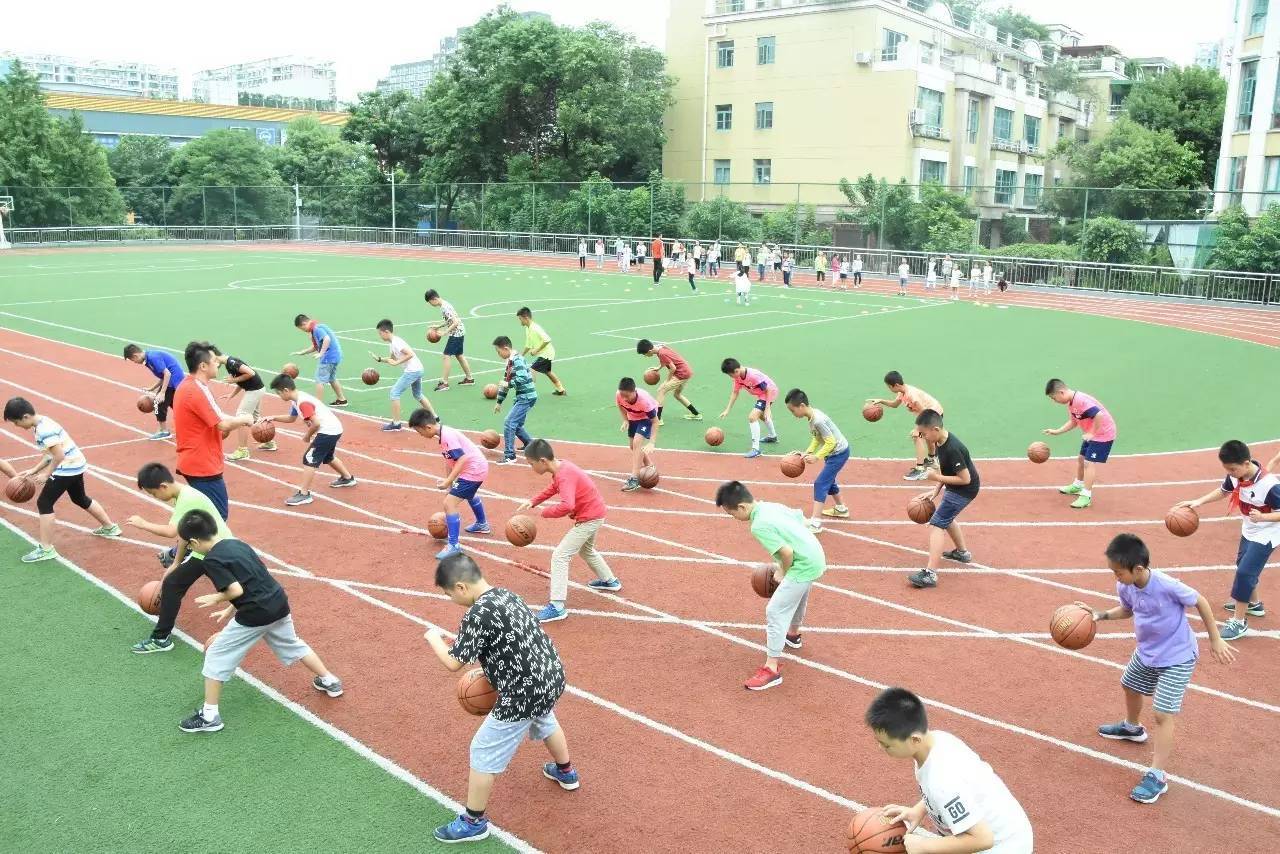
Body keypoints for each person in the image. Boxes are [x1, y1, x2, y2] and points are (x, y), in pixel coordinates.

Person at [423, 553, 575, 844]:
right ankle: (566, 772)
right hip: (552, 676)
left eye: (448, 594)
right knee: (545, 719)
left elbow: (454, 662)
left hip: (523, 691)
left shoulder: (477, 613)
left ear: (461, 588)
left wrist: (433, 637)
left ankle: (473, 822)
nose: (451, 599)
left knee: (482, 750)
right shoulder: (507, 594)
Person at [1081, 533, 1235, 803]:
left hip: (1177, 657)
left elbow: (1200, 601)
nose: (1115, 577)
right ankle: (1132, 728)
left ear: (1138, 568)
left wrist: (1215, 638)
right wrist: (1101, 615)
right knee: (1128, 684)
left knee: (1163, 714)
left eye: (1118, 572)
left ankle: (1157, 775)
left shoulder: (1166, 584)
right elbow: (1128, 610)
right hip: (1147, 652)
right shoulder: (1126, 587)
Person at [174, 508, 343, 734]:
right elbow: (254, 579)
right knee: (293, 643)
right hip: (278, 602)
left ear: (194, 541)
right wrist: (229, 610)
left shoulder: (211, 560)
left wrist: (217, 598)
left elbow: (235, 588)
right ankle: (330, 681)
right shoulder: (237, 544)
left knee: (216, 654)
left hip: (256, 614)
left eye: (188, 546)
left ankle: (210, 716)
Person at [865, 687, 1034, 852]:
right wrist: (917, 811)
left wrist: (924, 846)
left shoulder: (942, 779)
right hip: (1008, 832)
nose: (880, 747)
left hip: (1005, 846)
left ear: (914, 740)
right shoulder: (936, 741)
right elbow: (949, 791)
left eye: (887, 745)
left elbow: (983, 839)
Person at [715, 480, 825, 690]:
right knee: (798, 594)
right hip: (815, 555)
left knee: (774, 611)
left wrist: (783, 570)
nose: (734, 519)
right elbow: (799, 517)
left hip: (802, 564)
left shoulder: (758, 525)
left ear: (742, 507)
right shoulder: (769, 506)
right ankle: (793, 635)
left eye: (732, 514)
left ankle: (771, 669)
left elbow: (787, 553)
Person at [1173, 440, 1280, 640]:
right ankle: (1254, 604)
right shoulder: (1237, 475)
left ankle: (1239, 622)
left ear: (1246, 463)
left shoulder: (1270, 485)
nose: (1230, 473)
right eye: (1227, 469)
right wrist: (1199, 501)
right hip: (1250, 529)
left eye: (1232, 469)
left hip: (1268, 533)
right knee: (1242, 564)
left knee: (1245, 572)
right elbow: (1223, 490)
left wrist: (1263, 517)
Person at [126, 462, 232, 654]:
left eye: (153, 494)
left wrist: (143, 524)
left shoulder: (187, 498)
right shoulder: (181, 494)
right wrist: (176, 562)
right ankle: (161, 638)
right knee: (173, 583)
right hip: (205, 550)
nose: (155, 498)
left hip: (220, 551)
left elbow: (171, 531)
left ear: (163, 487)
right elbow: (184, 532)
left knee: (242, 592)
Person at [3, 397, 121, 563]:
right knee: (79, 498)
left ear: (25, 417)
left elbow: (59, 456)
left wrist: (46, 474)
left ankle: (46, 549)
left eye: (16, 423)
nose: (17, 427)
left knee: (44, 503)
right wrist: (34, 470)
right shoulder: (41, 423)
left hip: (67, 468)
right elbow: (49, 454)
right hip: (76, 463)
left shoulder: (44, 430)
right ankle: (110, 527)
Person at [516, 439, 620, 622]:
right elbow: (553, 488)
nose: (531, 468)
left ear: (542, 461)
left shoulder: (564, 474)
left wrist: (546, 512)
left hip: (590, 518)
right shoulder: (562, 467)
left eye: (531, 464)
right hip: (595, 513)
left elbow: (567, 505)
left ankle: (557, 606)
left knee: (560, 556)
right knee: (586, 550)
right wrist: (534, 501)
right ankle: (610, 581)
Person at [173, 342, 254, 521]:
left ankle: (180, 550)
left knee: (202, 515)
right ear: (203, 366)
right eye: (214, 361)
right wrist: (245, 419)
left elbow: (216, 423)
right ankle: (187, 550)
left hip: (195, 460)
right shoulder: (196, 390)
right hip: (202, 464)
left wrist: (228, 426)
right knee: (217, 518)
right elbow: (223, 424)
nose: (218, 363)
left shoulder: (189, 385)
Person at [908, 409, 979, 589]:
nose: (922, 437)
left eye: (924, 434)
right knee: (946, 518)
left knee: (937, 524)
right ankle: (962, 553)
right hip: (955, 487)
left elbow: (965, 479)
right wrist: (936, 489)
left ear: (935, 429)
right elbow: (946, 471)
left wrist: (936, 478)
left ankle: (930, 574)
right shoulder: (940, 441)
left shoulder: (953, 448)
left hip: (964, 489)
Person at [263, 374, 356, 506]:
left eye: (279, 393)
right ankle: (348, 478)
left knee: (309, 458)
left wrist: (307, 436)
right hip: (333, 428)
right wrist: (273, 417)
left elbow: (316, 423)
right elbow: (291, 418)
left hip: (328, 431)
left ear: (285, 391)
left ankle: (304, 494)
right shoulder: (296, 400)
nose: (279, 396)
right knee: (327, 457)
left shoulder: (303, 402)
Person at [409, 411, 490, 560]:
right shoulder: (442, 435)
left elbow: (462, 458)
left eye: (418, 431)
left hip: (474, 470)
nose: (419, 434)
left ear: (427, 427)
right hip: (475, 468)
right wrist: (449, 483)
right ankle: (482, 524)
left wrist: (448, 482)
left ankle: (453, 545)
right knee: (467, 494)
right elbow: (450, 460)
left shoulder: (447, 436)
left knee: (449, 503)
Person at [1042, 378, 1117, 510]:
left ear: (1061, 392)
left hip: (1103, 433)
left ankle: (1086, 496)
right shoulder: (1071, 404)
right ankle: (1078, 485)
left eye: (1054, 398)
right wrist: (1056, 431)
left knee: (1089, 463)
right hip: (1093, 433)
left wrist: (1092, 433)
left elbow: (1098, 415)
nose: (1054, 401)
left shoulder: (1081, 400)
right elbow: (1073, 422)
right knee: (1081, 459)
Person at [784, 389, 850, 532]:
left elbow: (831, 442)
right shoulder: (811, 417)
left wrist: (816, 457)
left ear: (801, 406)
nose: (793, 414)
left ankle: (816, 523)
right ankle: (841, 509)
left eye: (793, 411)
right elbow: (817, 437)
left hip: (839, 453)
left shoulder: (818, 420)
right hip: (833, 453)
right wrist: (806, 452)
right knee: (829, 481)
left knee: (820, 483)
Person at [866, 371, 944, 481]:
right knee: (927, 438)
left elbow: (924, 413)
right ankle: (932, 461)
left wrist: (918, 428)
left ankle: (920, 469)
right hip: (931, 413)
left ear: (896, 385)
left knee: (917, 436)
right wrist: (881, 401)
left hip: (933, 414)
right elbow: (894, 405)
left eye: (889, 387)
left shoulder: (912, 395)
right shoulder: (902, 392)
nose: (889, 389)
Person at [371, 318, 435, 432]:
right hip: (418, 369)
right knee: (418, 394)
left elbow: (409, 354)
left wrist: (396, 363)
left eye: (380, 333)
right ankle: (435, 416)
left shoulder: (396, 342)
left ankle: (396, 424)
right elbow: (392, 358)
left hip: (412, 371)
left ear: (386, 332)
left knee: (394, 392)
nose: (380, 336)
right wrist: (380, 359)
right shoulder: (392, 343)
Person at [214, 349, 272, 459]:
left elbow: (251, 373)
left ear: (216, 357)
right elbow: (241, 382)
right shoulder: (228, 364)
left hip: (254, 390)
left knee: (242, 416)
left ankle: (243, 451)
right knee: (255, 418)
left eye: (212, 360)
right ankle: (268, 442)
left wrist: (233, 380)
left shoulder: (232, 362)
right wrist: (232, 394)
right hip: (257, 389)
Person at [719, 358, 778, 459]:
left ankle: (756, 449)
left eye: (730, 375)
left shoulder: (753, 376)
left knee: (752, 417)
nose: (730, 377)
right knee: (761, 416)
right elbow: (735, 392)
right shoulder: (737, 378)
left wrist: (768, 408)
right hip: (761, 395)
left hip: (769, 393)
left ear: (736, 371)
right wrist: (727, 409)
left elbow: (768, 390)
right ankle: (773, 436)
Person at [123, 344, 184, 440]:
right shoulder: (148, 359)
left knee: (158, 403)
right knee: (175, 405)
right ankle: (194, 422)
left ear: (135, 356)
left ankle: (164, 431)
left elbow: (167, 374)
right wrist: (152, 388)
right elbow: (163, 376)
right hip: (173, 381)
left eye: (132, 360)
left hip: (174, 381)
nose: (134, 362)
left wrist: (162, 393)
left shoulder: (153, 358)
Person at [492, 335, 537, 464]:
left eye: (498, 351)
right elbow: (505, 383)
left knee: (509, 422)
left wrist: (508, 384)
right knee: (515, 424)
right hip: (523, 396)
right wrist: (499, 402)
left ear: (505, 348)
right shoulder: (510, 362)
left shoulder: (517, 360)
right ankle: (530, 444)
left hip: (526, 397)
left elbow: (522, 378)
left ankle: (510, 455)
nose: (498, 354)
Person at [636, 338, 701, 424]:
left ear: (650, 351)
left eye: (645, 354)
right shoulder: (661, 348)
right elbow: (666, 361)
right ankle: (696, 414)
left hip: (681, 374)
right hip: (686, 371)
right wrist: (658, 367)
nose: (645, 356)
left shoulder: (661, 353)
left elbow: (673, 368)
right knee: (677, 395)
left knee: (661, 390)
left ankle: (658, 419)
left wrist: (667, 380)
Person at [290, 314, 347, 407]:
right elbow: (316, 346)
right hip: (335, 356)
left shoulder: (316, 329)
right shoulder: (319, 327)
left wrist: (321, 353)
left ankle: (318, 405)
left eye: (301, 329)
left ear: (304, 324)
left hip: (328, 357)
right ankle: (342, 399)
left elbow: (327, 339)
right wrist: (303, 352)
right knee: (332, 378)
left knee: (319, 379)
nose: (303, 331)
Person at [425, 289, 475, 391]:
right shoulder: (445, 304)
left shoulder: (445, 307)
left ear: (434, 299)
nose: (431, 305)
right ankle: (469, 378)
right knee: (459, 355)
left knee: (446, 356)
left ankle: (445, 383)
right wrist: (438, 326)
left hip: (456, 333)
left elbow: (455, 322)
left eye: (430, 303)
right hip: (460, 332)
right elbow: (450, 320)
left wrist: (445, 332)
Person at [615, 377, 660, 493]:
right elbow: (620, 406)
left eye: (627, 396)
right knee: (633, 447)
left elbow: (655, 421)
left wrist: (652, 443)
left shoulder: (644, 401)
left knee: (637, 442)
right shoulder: (619, 395)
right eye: (622, 395)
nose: (624, 398)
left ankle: (634, 479)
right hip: (633, 417)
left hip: (646, 418)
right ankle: (650, 465)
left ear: (634, 391)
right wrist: (625, 420)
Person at [517, 307, 566, 395]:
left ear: (526, 318)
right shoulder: (527, 328)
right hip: (545, 354)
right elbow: (528, 345)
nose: (520, 321)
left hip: (546, 354)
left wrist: (536, 350)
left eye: (520, 319)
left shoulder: (535, 328)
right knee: (547, 372)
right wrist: (521, 355)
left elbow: (547, 339)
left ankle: (529, 393)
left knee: (532, 370)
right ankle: (561, 389)